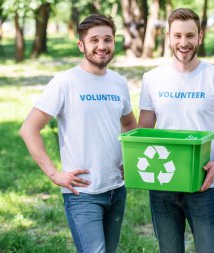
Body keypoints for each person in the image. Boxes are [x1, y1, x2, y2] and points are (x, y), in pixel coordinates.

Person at [20, 14, 136, 253]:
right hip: (82, 193)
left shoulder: (119, 82)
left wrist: (130, 161)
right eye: (94, 40)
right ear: (81, 45)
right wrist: (54, 174)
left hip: (116, 189)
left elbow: (129, 125)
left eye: (108, 39)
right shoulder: (65, 82)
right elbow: (29, 129)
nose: (102, 46)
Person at [138, 8, 214, 253]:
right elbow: (144, 131)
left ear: (200, 36)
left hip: (203, 185)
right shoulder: (152, 79)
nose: (183, 42)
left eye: (189, 35)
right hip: (162, 182)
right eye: (177, 36)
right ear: (168, 37)